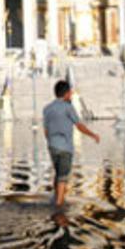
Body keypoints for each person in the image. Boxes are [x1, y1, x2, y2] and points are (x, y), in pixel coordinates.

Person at [43, 79, 100, 207]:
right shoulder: (68, 108)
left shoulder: (47, 109)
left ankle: (55, 196)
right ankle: (59, 205)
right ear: (66, 93)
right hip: (65, 147)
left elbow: (45, 130)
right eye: (70, 92)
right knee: (63, 176)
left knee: (57, 173)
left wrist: (50, 143)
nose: (71, 94)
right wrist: (93, 135)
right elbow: (79, 126)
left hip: (52, 146)